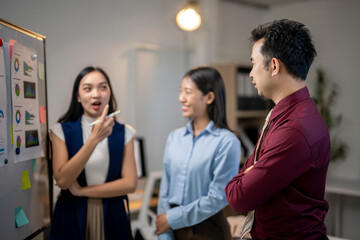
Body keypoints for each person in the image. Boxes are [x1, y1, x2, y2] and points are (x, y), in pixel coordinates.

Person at [225, 19, 330, 240]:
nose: (251, 74)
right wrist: (250, 171)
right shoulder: (282, 113)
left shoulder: (295, 128)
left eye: (254, 64)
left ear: (273, 66)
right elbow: (247, 176)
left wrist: (247, 173)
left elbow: (238, 197)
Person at [50, 66, 137, 240]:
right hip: (71, 214)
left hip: (113, 214)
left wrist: (82, 191)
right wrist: (93, 140)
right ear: (78, 96)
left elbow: (129, 183)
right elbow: (63, 180)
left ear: (110, 93)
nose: (96, 94)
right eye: (88, 89)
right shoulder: (60, 131)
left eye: (103, 87)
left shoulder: (125, 132)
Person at [156, 66, 241, 240]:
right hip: (171, 228)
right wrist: (164, 232)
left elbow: (218, 197)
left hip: (208, 230)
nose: (181, 98)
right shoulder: (174, 138)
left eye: (187, 92)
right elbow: (165, 190)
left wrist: (172, 219)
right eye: (180, 92)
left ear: (209, 97)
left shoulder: (227, 142)